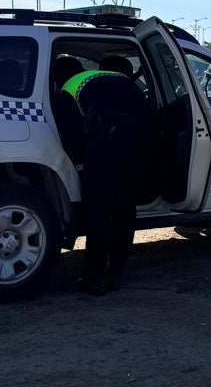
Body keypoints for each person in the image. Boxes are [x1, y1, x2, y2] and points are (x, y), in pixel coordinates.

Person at [63, 56, 153, 296]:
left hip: (104, 149)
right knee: (124, 211)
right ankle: (116, 273)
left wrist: (80, 158)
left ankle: (94, 278)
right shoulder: (132, 85)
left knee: (99, 213)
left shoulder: (69, 86)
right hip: (135, 150)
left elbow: (71, 131)